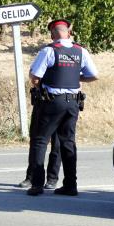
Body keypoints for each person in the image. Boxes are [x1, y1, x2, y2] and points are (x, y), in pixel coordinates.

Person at [25, 19, 98, 196]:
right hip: (73, 102)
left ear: (52, 34)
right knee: (68, 143)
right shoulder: (81, 51)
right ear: (68, 33)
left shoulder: (49, 50)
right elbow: (94, 76)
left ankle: (36, 184)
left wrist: (43, 84)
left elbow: (35, 77)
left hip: (52, 101)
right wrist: (73, 78)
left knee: (41, 140)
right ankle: (71, 185)